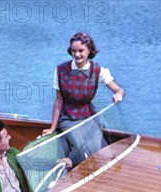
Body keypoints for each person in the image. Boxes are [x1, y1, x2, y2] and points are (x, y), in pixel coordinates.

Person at [42, 32, 124, 165]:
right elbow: (59, 100)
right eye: (73, 51)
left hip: (89, 116)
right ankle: (65, 165)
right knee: (80, 147)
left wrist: (118, 94)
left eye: (81, 50)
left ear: (89, 50)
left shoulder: (98, 70)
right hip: (68, 118)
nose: (77, 54)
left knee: (97, 149)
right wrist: (52, 128)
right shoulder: (61, 70)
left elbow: (118, 89)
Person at [0, 121, 71, 192]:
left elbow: (32, 162)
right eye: (6, 136)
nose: (10, 137)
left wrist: (57, 162)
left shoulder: (11, 153)